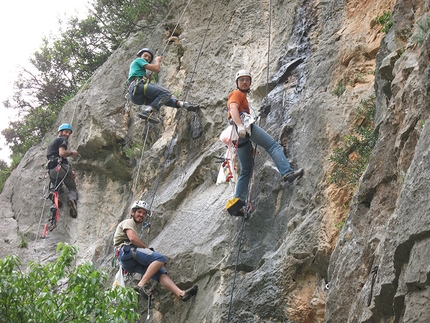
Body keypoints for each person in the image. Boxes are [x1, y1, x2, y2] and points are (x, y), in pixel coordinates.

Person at [225, 70, 304, 216]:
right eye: (241, 80)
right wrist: (241, 125)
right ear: (237, 83)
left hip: (238, 134)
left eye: (247, 80)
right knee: (272, 145)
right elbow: (233, 108)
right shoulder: (237, 94)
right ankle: (288, 173)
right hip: (243, 126)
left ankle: (237, 203)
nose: (244, 82)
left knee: (247, 169)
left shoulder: (241, 96)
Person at [113, 200, 198, 302]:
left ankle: (181, 294)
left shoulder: (133, 226)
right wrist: (146, 248)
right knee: (160, 258)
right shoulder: (128, 222)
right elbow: (132, 238)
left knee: (159, 273)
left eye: (144, 214)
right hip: (126, 252)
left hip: (128, 262)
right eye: (139, 212)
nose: (142, 215)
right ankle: (140, 285)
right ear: (133, 212)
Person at [127, 47, 200, 124]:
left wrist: (146, 78)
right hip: (137, 86)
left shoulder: (138, 68)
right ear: (140, 56)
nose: (147, 58)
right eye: (145, 55)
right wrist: (157, 61)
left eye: (149, 58)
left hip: (135, 97)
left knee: (164, 98)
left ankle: (183, 104)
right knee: (166, 93)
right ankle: (147, 110)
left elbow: (136, 75)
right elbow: (156, 69)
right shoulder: (138, 60)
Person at [46, 123, 79, 218]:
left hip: (51, 170)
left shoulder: (51, 144)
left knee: (57, 187)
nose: (67, 135)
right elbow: (62, 153)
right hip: (62, 168)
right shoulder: (62, 139)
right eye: (66, 132)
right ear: (60, 132)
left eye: (69, 133)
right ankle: (72, 200)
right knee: (72, 188)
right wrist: (72, 153)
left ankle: (56, 200)